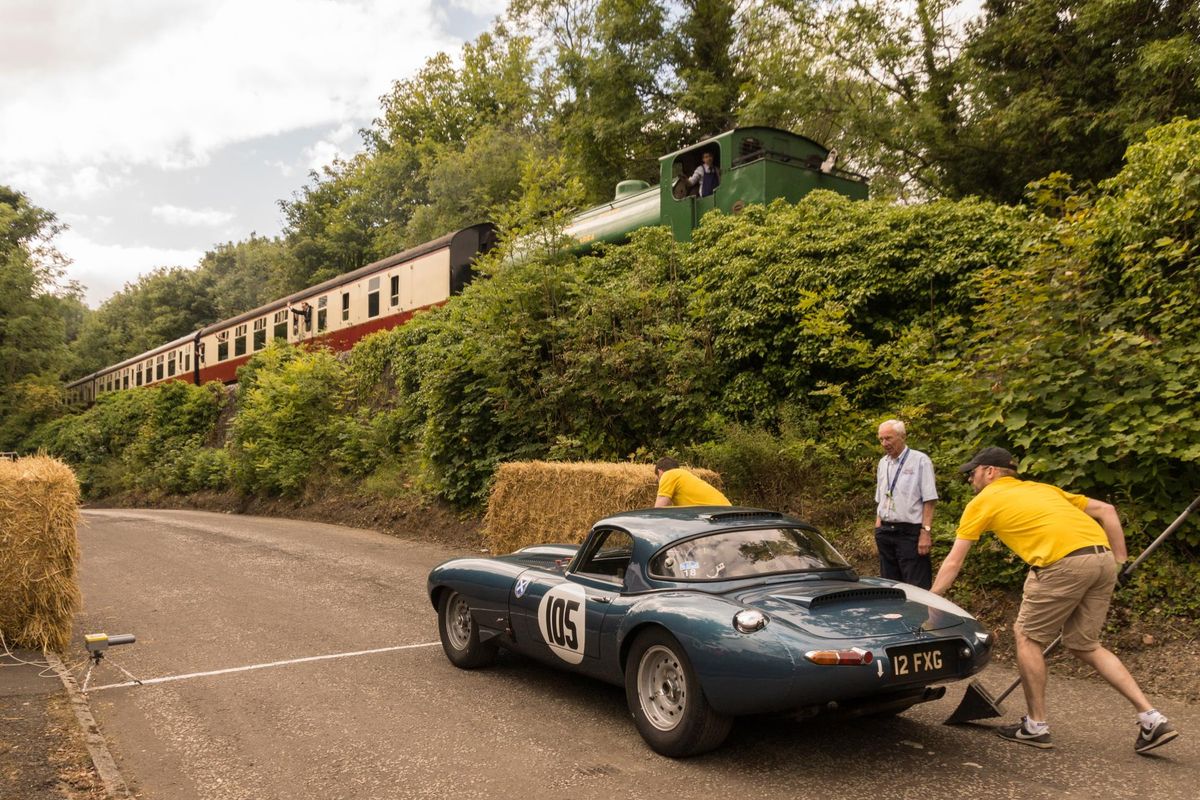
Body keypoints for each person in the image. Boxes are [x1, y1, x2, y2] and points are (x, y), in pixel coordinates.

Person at [931, 446, 1179, 754]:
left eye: (973, 472)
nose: (970, 479)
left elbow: (954, 561)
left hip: (1061, 564)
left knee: (1027, 637)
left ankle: (1036, 726)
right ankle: (1152, 718)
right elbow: (1107, 511)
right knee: (1085, 644)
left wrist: (931, 601)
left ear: (990, 471)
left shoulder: (983, 501)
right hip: (1101, 560)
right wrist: (1121, 561)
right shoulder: (1042, 489)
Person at [874, 419, 938, 589]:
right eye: (881, 439)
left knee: (916, 585)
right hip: (885, 531)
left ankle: (920, 615)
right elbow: (881, 496)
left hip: (910, 532)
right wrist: (878, 524)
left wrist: (926, 532)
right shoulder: (883, 463)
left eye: (888, 438)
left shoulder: (920, 460)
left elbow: (929, 499)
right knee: (890, 585)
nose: (884, 443)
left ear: (902, 436)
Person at [654, 457, 730, 507]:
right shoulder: (683, 476)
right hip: (727, 510)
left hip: (717, 513)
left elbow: (659, 510)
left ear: (660, 472)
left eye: (658, 479)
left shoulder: (668, 474)